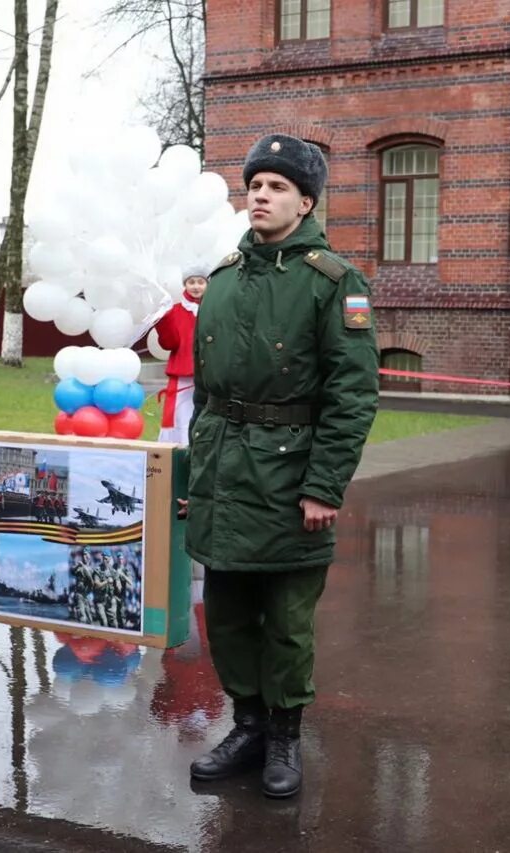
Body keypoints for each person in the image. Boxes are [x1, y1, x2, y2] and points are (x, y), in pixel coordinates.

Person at [181, 134, 379, 799]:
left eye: (275, 187)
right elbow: (204, 396)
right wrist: (192, 481)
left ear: (306, 201)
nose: (259, 196)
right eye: (254, 186)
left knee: (288, 621)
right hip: (223, 475)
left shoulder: (333, 281)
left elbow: (352, 394)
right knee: (230, 613)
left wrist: (324, 485)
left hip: (290, 476)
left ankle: (285, 736)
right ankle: (248, 726)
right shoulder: (226, 280)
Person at [153, 267, 207, 444]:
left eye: (200, 282)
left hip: (209, 376)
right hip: (183, 377)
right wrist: (163, 319)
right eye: (191, 282)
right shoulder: (175, 311)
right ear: (185, 284)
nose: (196, 286)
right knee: (180, 419)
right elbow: (169, 343)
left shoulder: (216, 308)